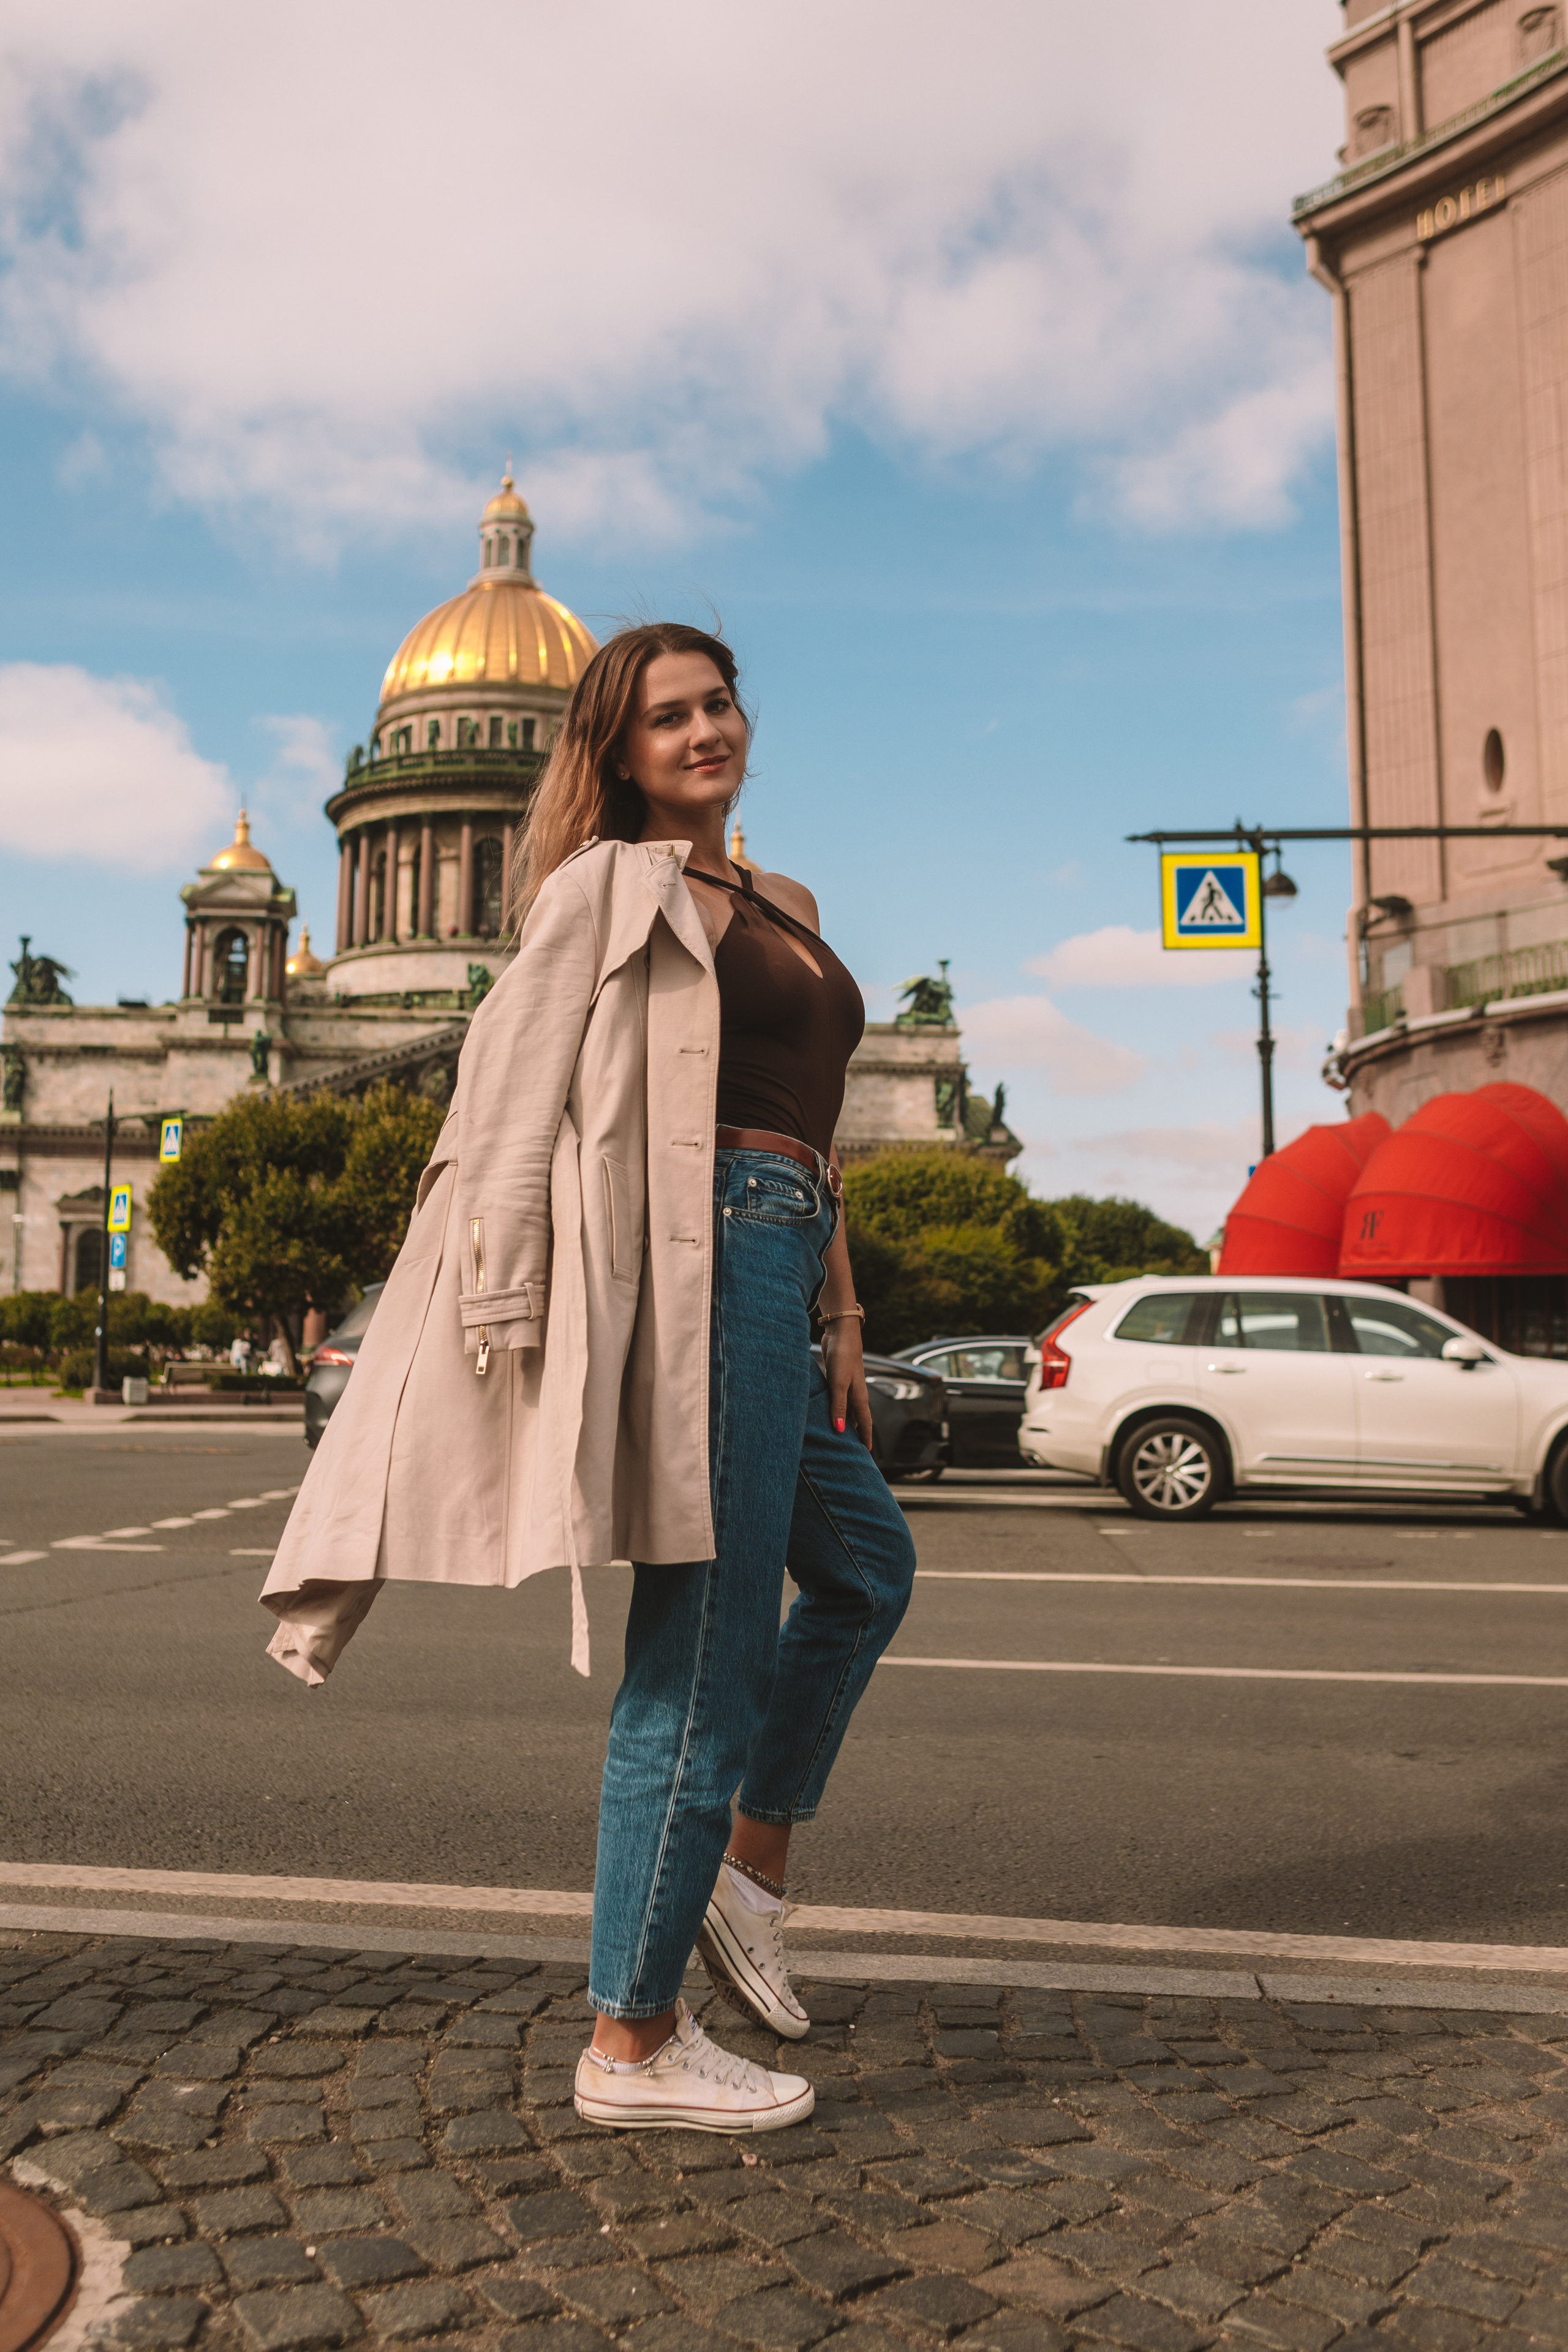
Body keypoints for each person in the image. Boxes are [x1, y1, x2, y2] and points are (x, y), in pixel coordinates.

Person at [257, 620, 916, 2137]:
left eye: (719, 704)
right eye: (668, 717)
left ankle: (747, 1871)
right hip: (693, 1274)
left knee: (867, 1568)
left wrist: (840, 1307)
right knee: (699, 1652)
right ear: (616, 752)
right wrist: (504, 1295)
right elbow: (505, 1092)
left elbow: (811, 1131)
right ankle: (631, 2039)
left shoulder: (785, 901)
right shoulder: (602, 887)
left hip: (778, 1259)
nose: (704, 732)